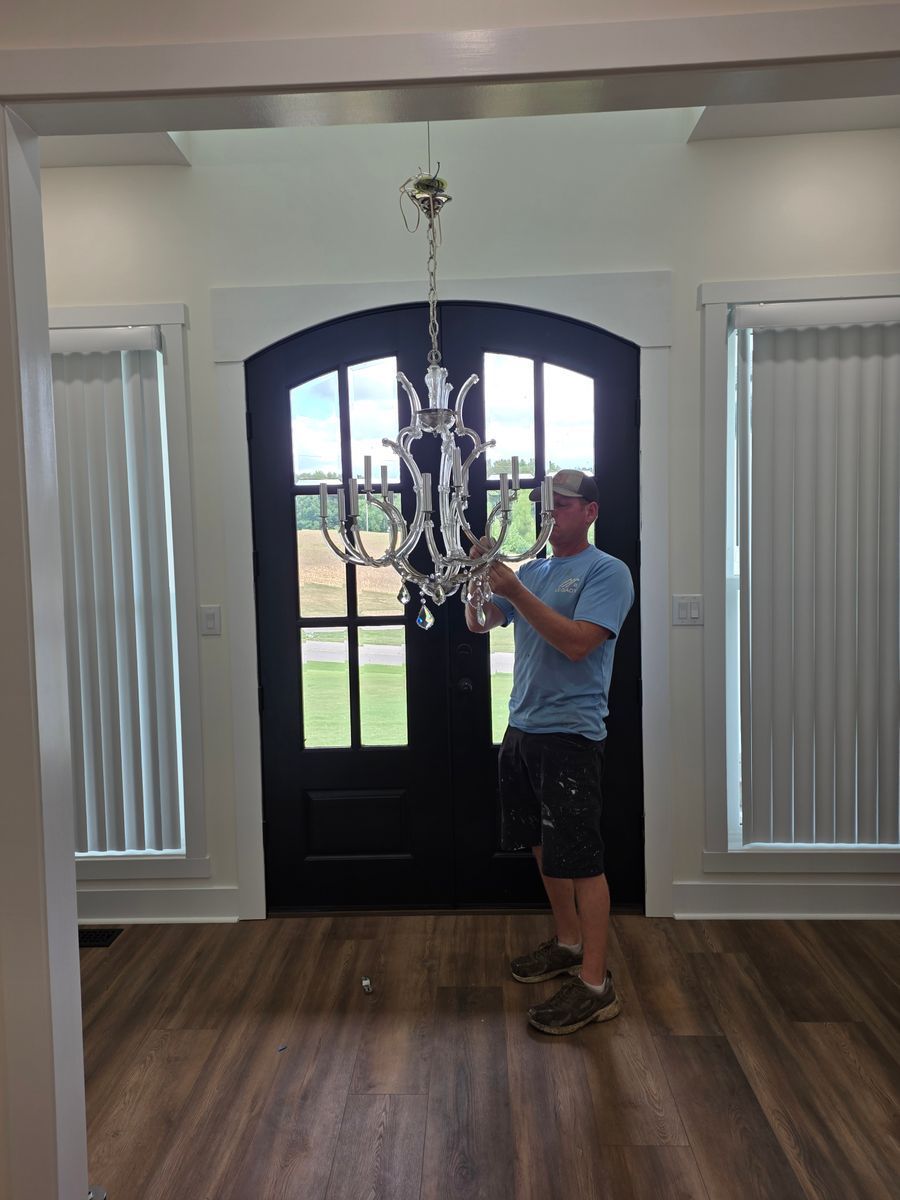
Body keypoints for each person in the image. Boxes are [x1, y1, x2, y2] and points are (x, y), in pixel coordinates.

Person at [467, 469, 634, 1035]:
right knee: (543, 846)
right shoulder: (535, 570)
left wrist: (514, 590)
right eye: (545, 504)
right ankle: (568, 942)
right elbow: (481, 622)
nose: (550, 512)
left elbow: (577, 644)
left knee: (581, 858)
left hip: (571, 736)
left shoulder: (607, 571)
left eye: (562, 504)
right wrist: (477, 581)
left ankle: (596, 986)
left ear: (589, 511)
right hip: (522, 729)